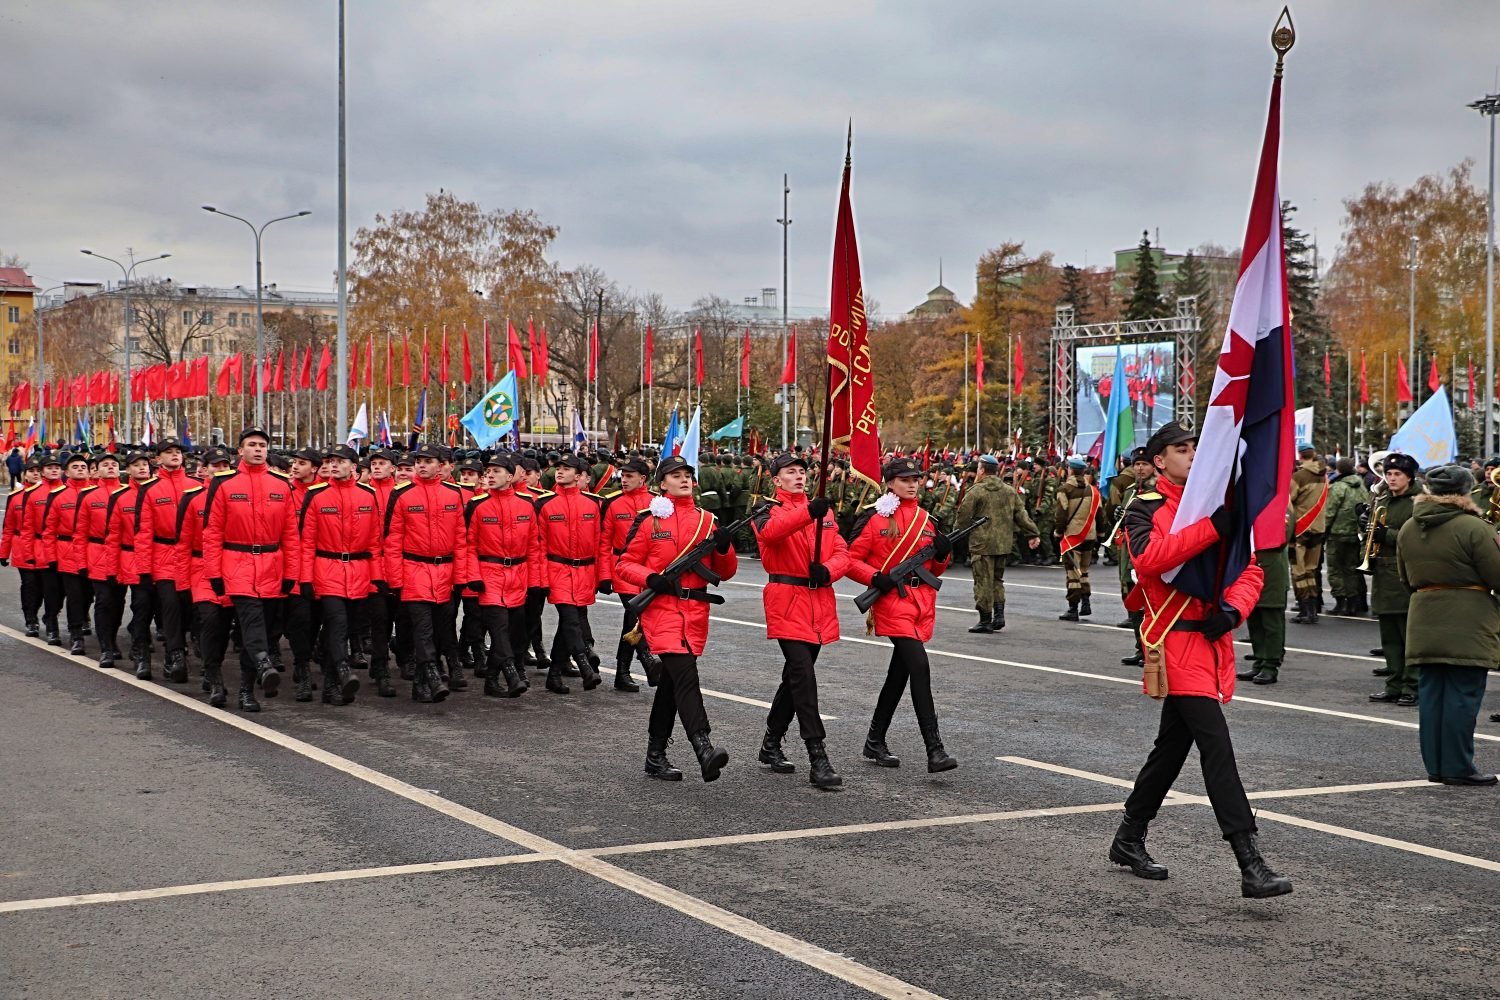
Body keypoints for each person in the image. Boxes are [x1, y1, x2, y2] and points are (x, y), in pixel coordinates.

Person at [1109, 420, 1291, 899]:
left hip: (1210, 639)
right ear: (1158, 460)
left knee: (1171, 749)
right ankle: (1249, 863)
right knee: (1217, 746)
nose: (1191, 455)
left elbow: (1249, 569)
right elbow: (1152, 561)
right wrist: (1211, 529)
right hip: (1172, 640)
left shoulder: (1219, 506)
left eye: (1196, 448)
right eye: (1180, 449)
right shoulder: (1143, 509)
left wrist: (1233, 611)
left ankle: (1128, 837)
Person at [614, 454, 739, 782]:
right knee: (685, 675)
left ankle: (655, 755)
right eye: (675, 475)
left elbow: (724, 572)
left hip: (696, 611)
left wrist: (724, 548)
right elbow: (624, 564)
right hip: (662, 610)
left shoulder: (707, 521)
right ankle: (704, 747)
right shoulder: (650, 520)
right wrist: (649, 578)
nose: (684, 479)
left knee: (671, 684)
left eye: (687, 474)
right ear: (661, 484)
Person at [845, 457, 958, 773]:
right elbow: (850, 559)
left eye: (916, 478)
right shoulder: (874, 518)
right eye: (905, 479)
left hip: (921, 600)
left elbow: (936, 569)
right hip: (892, 600)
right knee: (919, 666)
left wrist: (944, 552)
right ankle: (934, 750)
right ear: (890, 482)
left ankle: (875, 740)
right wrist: (874, 577)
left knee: (901, 673)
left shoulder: (927, 520)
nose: (912, 483)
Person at [1395, 464, 1499, 785]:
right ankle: (1458, 767)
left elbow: (1405, 578)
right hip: (1468, 619)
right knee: (1462, 696)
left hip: (1424, 615)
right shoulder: (1473, 527)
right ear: (1465, 491)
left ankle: (1437, 766)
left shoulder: (1409, 527)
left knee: (1432, 696)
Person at [752, 452, 848, 787]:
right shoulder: (765, 509)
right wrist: (809, 512)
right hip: (786, 600)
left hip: (819, 600)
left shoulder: (824, 511)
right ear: (776, 479)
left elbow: (841, 551)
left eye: (802, 471)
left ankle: (771, 742)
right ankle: (817, 755)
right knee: (803, 677)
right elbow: (772, 534)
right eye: (790, 472)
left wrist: (829, 570)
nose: (799, 475)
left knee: (795, 678)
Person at [202, 428, 300, 712]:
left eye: (262, 445)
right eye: (251, 445)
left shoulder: (282, 485)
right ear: (240, 451)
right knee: (251, 619)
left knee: (263, 628)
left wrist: (291, 573)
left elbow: (291, 535)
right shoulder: (224, 484)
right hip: (237, 562)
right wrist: (214, 573)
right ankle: (264, 662)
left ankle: (247, 688)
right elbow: (212, 533)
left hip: (271, 564)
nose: (258, 450)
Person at [383, 442, 471, 703]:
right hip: (414, 570)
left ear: (440, 466)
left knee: (438, 627)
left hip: (444, 572)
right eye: (419, 461)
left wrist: (461, 578)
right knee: (422, 629)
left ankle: (420, 686)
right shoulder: (401, 495)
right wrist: (395, 579)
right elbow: (392, 540)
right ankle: (432, 673)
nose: (422, 465)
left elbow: (460, 540)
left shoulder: (452, 495)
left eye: (428, 461)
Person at [298, 445, 379, 707]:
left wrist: (377, 577)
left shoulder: (369, 495)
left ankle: (331, 686)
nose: (334, 465)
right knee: (337, 622)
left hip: (359, 571)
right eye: (331, 461)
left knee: (346, 628)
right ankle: (343, 668)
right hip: (327, 569)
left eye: (340, 461)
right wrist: (306, 578)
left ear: (354, 467)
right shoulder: (317, 495)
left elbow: (376, 542)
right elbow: (306, 541)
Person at [461, 453, 534, 698]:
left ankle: (491, 680)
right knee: (499, 628)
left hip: (518, 575)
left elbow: (534, 546)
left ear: (510, 477)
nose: (490, 476)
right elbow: (468, 545)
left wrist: (536, 581)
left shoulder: (526, 505)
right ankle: (512, 673)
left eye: (496, 472)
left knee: (515, 630)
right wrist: (472, 575)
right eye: (488, 472)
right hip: (488, 575)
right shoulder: (476, 505)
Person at [535, 453, 603, 694]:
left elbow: (598, 543)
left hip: (584, 570)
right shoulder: (544, 503)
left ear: (579, 475)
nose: (560, 471)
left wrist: (600, 576)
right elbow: (539, 546)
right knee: (571, 619)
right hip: (557, 569)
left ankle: (554, 675)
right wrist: (541, 579)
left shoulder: (593, 504)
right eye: (558, 467)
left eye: (567, 468)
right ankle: (584, 664)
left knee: (568, 624)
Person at [955, 453, 1039, 634]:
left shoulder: (976, 491)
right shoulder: (1009, 491)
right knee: (997, 580)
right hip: (1003, 544)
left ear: (982, 470)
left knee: (983, 581)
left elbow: (963, 517)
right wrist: (1033, 533)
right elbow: (1021, 515)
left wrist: (955, 536)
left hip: (982, 544)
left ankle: (985, 619)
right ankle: (999, 615)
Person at [133, 438, 194, 682]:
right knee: (170, 605)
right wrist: (144, 569)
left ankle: (183, 646)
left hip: (191, 557)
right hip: (164, 555)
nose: (174, 455)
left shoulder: (194, 485)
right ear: (158, 459)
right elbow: (144, 532)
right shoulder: (149, 489)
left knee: (189, 607)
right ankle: (175, 654)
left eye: (177, 452)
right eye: (168, 452)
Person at [597, 457, 658, 692]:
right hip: (622, 566)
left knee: (632, 621)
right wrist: (604, 575)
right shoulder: (613, 503)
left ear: (642, 478)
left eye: (629, 476)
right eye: (622, 476)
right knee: (634, 613)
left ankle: (622, 673)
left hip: (648, 569)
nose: (624, 480)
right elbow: (604, 542)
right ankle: (648, 660)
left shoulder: (656, 502)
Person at [1368, 453, 1422, 706]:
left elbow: (1417, 538)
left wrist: (1385, 534)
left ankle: (1412, 685)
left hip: (1403, 577)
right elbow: (1373, 534)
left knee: (1407, 636)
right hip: (1383, 574)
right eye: (1388, 474)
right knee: (1389, 637)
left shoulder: (1417, 502)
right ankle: (1393, 683)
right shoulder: (1384, 499)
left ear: (1409, 477)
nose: (1391, 478)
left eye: (1397, 474)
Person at [42, 453, 94, 655]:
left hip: (92, 552)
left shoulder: (96, 495)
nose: (80, 469)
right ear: (67, 472)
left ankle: (82, 621)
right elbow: (49, 530)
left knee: (89, 595)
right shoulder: (58, 496)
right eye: (75, 466)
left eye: (83, 466)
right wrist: (51, 557)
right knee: (72, 596)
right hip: (67, 552)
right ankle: (75, 635)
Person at [1238, 502, 1292, 685]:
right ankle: (1259, 660)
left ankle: (1271, 665)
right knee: (1254, 620)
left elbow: (1281, 539)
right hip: (1250, 567)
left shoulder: (1282, 504)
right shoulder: (1252, 501)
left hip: (1271, 571)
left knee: (1271, 621)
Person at [1323, 457, 1371, 616]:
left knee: (1336, 568)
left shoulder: (1338, 487)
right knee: (1352, 569)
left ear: (1339, 469)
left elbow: (1329, 512)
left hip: (1338, 534)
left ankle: (1341, 602)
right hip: (1355, 532)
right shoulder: (1361, 485)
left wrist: (1324, 530)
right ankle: (1353, 603)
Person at [1055, 456, 1100, 621]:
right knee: (1084, 571)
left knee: (1072, 572)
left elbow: (1061, 513)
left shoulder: (1065, 489)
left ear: (1070, 470)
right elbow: (1099, 513)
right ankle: (1086, 602)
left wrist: (1059, 531)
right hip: (1090, 534)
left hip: (1073, 535)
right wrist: (1100, 533)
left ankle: (1073, 608)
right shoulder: (1093, 490)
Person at [1288, 443, 1328, 624]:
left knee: (1299, 571)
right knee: (1312, 569)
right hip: (1318, 527)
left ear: (1300, 455)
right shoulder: (1323, 474)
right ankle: (1313, 609)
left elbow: (1288, 501)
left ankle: (1305, 609)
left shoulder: (1299, 476)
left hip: (1301, 528)